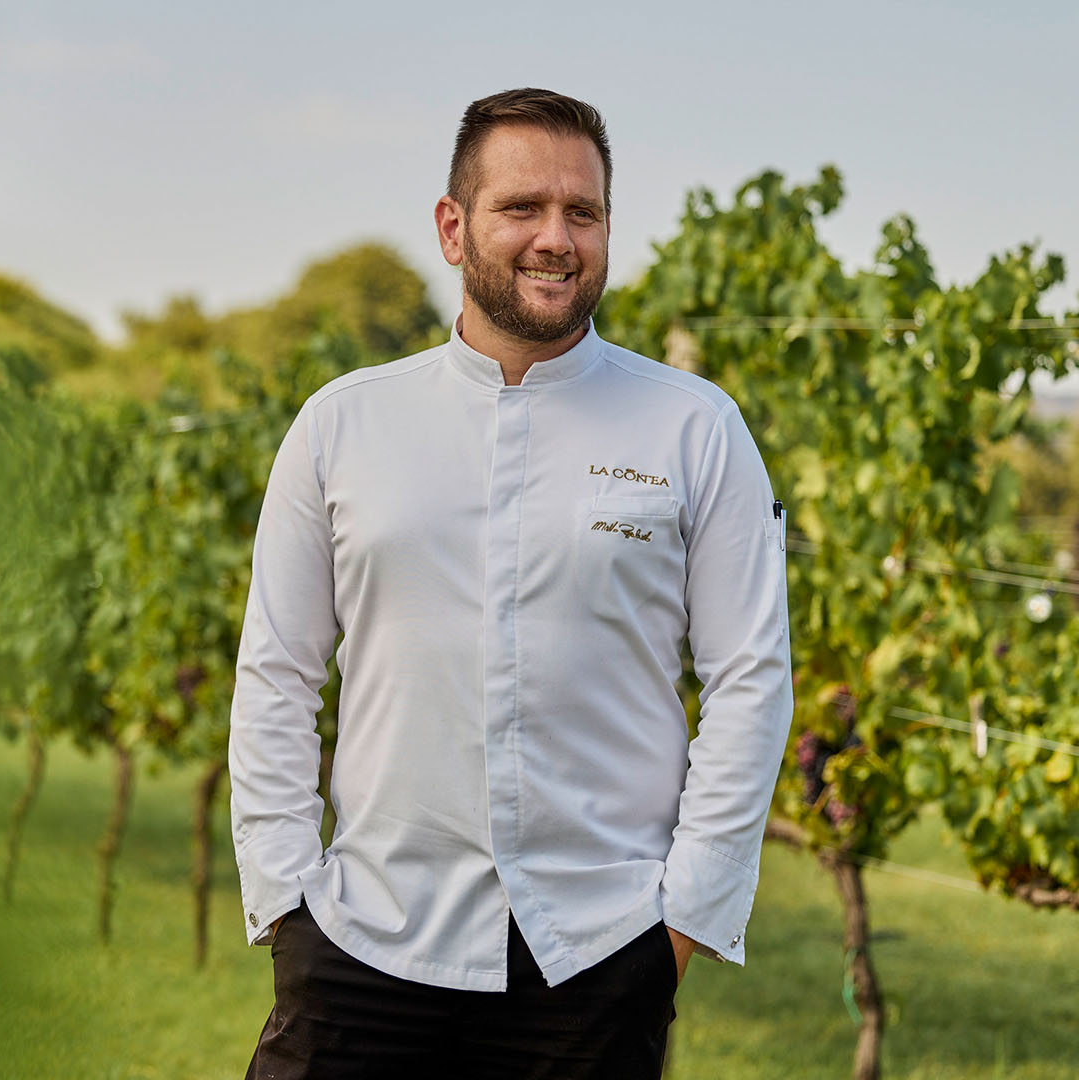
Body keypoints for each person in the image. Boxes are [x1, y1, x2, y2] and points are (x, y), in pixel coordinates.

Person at [228, 87, 793, 1079]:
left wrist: (680, 928)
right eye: (522, 207)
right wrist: (285, 899)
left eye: (584, 212)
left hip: (597, 958)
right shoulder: (339, 426)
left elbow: (751, 681)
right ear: (454, 228)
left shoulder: (696, 431)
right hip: (363, 943)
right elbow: (277, 669)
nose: (556, 237)